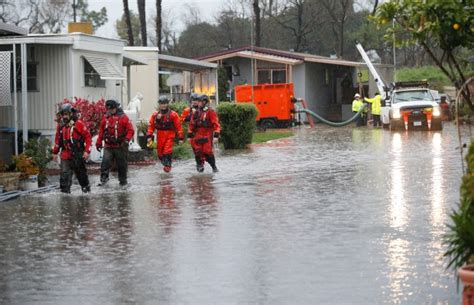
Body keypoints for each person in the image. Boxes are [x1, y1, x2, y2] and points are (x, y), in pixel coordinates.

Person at [52, 104, 92, 193]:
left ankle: (86, 190)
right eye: (63, 114)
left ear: (71, 114)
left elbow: (88, 138)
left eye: (67, 114)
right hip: (66, 154)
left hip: (78, 154)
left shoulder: (79, 124)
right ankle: (65, 194)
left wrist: (87, 151)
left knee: (81, 175)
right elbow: (58, 140)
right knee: (64, 176)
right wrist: (55, 152)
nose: (65, 116)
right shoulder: (61, 126)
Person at [96, 99, 134, 186]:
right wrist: (98, 142)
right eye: (109, 109)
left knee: (121, 165)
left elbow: (130, 130)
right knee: (105, 163)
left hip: (120, 146)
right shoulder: (106, 118)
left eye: (112, 109)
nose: (110, 111)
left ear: (116, 108)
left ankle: (123, 181)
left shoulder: (123, 117)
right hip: (108, 146)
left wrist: (127, 140)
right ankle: (103, 179)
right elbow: (101, 131)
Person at [146, 96, 184, 173]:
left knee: (167, 151)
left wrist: (180, 137)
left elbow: (178, 126)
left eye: (165, 103)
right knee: (160, 154)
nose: (163, 105)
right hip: (160, 135)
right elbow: (151, 126)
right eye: (161, 104)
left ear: (167, 104)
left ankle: (168, 166)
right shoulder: (155, 115)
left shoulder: (173, 114)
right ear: (159, 105)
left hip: (170, 135)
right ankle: (167, 165)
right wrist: (149, 136)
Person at [188, 94, 221, 173]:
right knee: (197, 151)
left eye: (200, 101)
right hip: (197, 135)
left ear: (205, 102)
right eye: (198, 101)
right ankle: (200, 165)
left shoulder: (210, 112)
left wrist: (216, 136)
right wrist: (189, 135)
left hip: (207, 134)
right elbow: (191, 124)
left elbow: (216, 124)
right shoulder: (196, 112)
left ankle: (213, 166)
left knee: (207, 152)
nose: (198, 103)